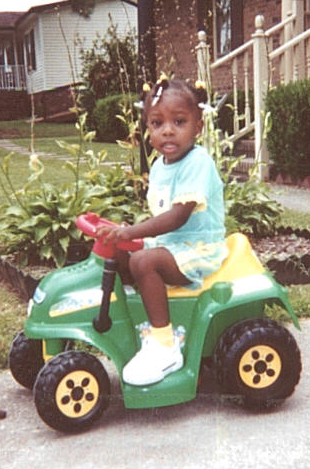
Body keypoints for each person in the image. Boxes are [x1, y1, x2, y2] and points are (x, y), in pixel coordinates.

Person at [96, 76, 228, 386]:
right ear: (148, 129)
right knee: (122, 255)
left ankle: (165, 344)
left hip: (197, 248)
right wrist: (125, 235)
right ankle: (131, 321)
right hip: (172, 245)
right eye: (157, 123)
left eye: (179, 121)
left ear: (198, 126)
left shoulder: (198, 163)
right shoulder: (159, 165)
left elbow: (178, 217)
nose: (167, 130)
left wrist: (133, 232)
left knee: (144, 261)